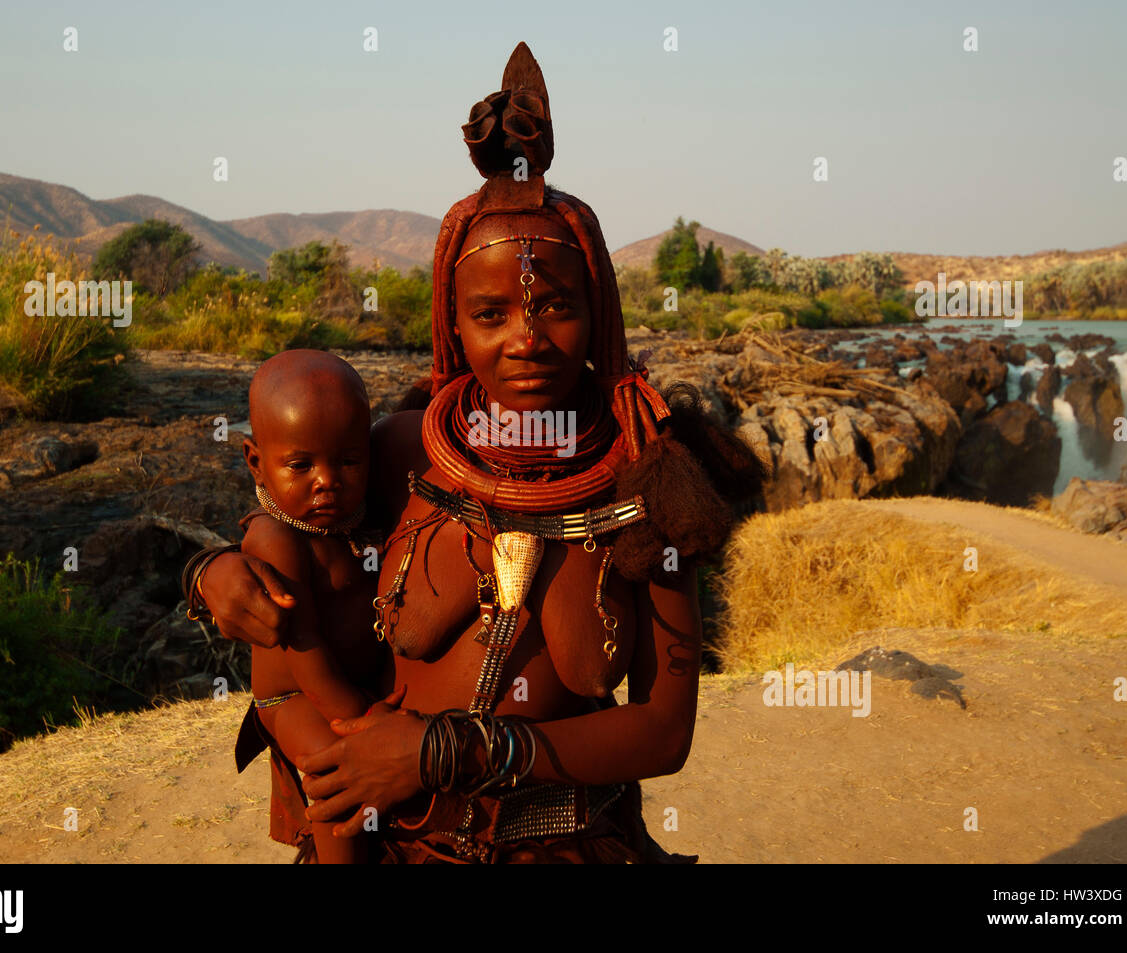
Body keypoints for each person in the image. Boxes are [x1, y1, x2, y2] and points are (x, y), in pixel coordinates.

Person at [187, 42, 766, 863]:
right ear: (451, 323)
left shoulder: (653, 484)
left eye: (557, 305)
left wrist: (454, 751)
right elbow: (298, 547)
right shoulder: (403, 452)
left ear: (596, 308)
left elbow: (665, 731)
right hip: (399, 839)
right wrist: (210, 572)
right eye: (490, 314)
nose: (527, 339)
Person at [233, 349, 393, 862]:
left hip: (352, 684)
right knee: (334, 771)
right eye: (300, 465)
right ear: (256, 461)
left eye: (348, 461)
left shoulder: (362, 518)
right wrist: (363, 720)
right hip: (296, 698)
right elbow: (304, 651)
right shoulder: (277, 539)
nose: (328, 480)